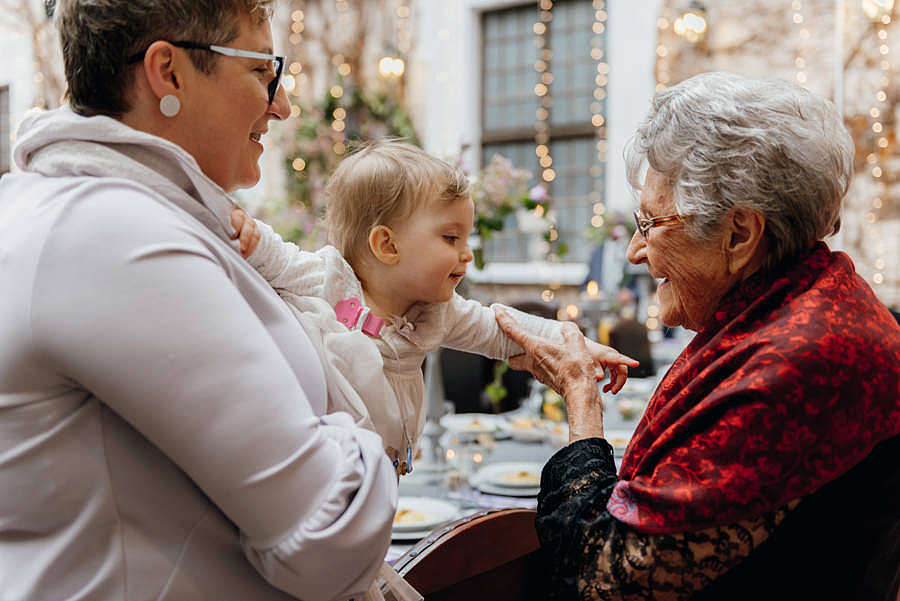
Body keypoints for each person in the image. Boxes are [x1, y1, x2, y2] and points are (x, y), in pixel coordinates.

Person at [0, 1, 401, 600]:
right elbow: (327, 530)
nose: (282, 104)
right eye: (263, 71)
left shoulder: (77, 207)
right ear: (168, 72)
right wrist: (367, 437)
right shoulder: (113, 234)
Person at [494, 72, 900, 601]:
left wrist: (580, 397)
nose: (636, 253)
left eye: (651, 223)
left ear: (738, 234)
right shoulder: (811, 299)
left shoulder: (794, 360)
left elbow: (602, 577)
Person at [229, 140, 638, 476]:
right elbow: (276, 258)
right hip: (317, 465)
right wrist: (245, 231)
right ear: (386, 245)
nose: (466, 255)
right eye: (450, 238)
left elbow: (507, 330)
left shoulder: (438, 313)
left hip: (383, 472)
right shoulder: (328, 279)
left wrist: (579, 346)